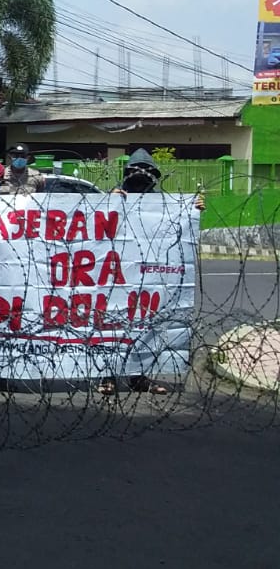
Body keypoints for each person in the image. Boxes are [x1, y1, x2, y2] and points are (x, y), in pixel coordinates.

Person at [97, 148, 202, 397]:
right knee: (113, 324)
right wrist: (108, 200)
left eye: (146, 171)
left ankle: (138, 377)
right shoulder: (115, 196)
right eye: (135, 170)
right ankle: (108, 376)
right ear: (127, 173)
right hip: (117, 275)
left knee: (142, 327)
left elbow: (177, 225)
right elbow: (95, 224)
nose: (140, 175)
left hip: (147, 276)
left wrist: (193, 209)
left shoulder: (160, 204)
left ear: (154, 175)